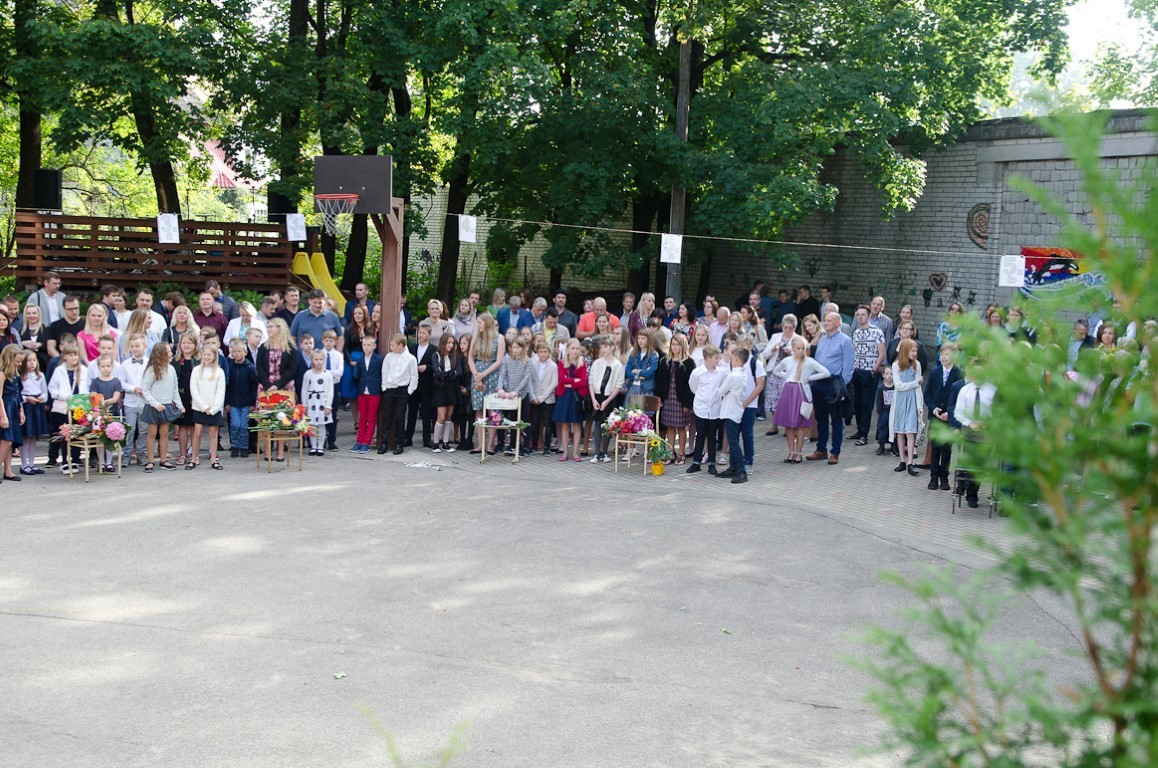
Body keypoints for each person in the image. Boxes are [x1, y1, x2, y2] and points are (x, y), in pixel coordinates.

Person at [772, 335, 829, 462]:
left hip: (801, 392)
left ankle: (799, 454)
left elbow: (826, 372)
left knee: (800, 425)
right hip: (788, 391)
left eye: (803, 348)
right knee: (788, 425)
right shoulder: (787, 360)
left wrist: (809, 378)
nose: (801, 351)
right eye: (798, 348)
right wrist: (787, 377)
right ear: (793, 348)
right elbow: (776, 370)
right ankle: (791, 453)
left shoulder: (809, 361)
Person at [807, 311, 854, 465]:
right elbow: (817, 361)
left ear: (837, 323)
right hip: (818, 383)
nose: (825, 323)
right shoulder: (822, 339)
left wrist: (842, 387)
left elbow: (848, 366)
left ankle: (835, 452)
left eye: (828, 320)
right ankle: (821, 449)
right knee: (820, 417)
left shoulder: (845, 341)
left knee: (836, 419)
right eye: (825, 320)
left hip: (834, 384)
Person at [950, 369, 995, 509]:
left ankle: (973, 491)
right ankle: (970, 494)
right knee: (970, 464)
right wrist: (970, 423)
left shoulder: (992, 390)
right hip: (969, 432)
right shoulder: (965, 390)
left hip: (986, 433)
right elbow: (958, 412)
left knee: (981, 465)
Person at [923, 343, 963, 490]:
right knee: (935, 448)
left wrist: (950, 414)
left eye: (947, 354)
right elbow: (927, 394)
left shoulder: (959, 373)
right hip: (936, 417)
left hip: (949, 418)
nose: (944, 357)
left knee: (947, 449)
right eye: (942, 354)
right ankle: (933, 477)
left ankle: (944, 477)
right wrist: (933, 409)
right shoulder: (935, 372)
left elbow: (960, 398)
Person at [139, 343, 182, 472]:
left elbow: (175, 389)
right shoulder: (151, 370)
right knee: (151, 433)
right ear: (160, 354)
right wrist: (155, 404)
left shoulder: (171, 369)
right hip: (153, 406)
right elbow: (145, 390)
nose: (171, 353)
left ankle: (163, 460)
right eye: (168, 351)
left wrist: (179, 404)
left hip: (166, 405)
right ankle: (150, 461)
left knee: (164, 433)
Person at [685, 345, 726, 474]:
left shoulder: (721, 373)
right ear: (707, 358)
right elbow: (693, 387)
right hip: (701, 408)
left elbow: (722, 387)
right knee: (700, 435)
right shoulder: (697, 373)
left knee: (712, 436)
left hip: (714, 409)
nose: (718, 360)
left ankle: (712, 463)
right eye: (715, 358)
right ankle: (696, 462)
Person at [468, 314, 506, 453]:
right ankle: (480, 444)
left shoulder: (499, 338)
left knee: (493, 410)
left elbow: (499, 361)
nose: (478, 325)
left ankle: (490, 444)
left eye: (480, 322)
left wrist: (484, 374)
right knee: (479, 409)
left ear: (487, 323)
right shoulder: (476, 337)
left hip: (493, 375)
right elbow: (470, 358)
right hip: (477, 374)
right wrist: (477, 375)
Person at [849, 304, 886, 445]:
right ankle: (859, 430)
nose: (860, 317)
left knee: (866, 403)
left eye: (863, 314)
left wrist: (874, 369)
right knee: (857, 403)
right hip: (856, 371)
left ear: (869, 316)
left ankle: (864, 434)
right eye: (858, 315)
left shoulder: (877, 332)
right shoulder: (857, 332)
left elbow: (881, 353)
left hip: (869, 372)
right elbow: (854, 351)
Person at [656, 332, 695, 464]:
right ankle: (670, 453)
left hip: (681, 400)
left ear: (683, 346)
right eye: (673, 344)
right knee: (669, 427)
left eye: (678, 345)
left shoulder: (689, 362)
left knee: (681, 427)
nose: (675, 347)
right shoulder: (665, 361)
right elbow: (660, 381)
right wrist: (660, 398)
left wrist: (687, 403)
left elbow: (690, 385)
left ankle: (681, 453)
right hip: (668, 398)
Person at [889, 338, 924, 476]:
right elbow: (899, 386)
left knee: (910, 431)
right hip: (900, 401)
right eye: (912, 351)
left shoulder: (917, 365)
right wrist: (916, 382)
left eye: (916, 351)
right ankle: (902, 461)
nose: (915, 353)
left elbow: (918, 389)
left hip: (912, 400)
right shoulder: (896, 365)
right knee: (900, 431)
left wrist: (919, 405)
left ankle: (910, 462)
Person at [587, 336, 625, 463]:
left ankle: (605, 453)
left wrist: (607, 401)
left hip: (609, 397)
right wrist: (593, 399)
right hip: (597, 396)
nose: (602, 349)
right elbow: (591, 382)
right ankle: (596, 453)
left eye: (605, 347)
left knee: (608, 425)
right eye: (601, 347)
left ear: (612, 347)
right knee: (597, 424)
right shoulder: (597, 363)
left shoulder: (617, 365)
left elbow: (618, 386)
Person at [378, 333, 418, 455]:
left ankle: (399, 443)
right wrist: (384, 387)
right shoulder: (389, 357)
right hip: (390, 389)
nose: (391, 347)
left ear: (401, 345)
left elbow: (414, 376)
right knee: (387, 416)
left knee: (400, 417)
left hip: (402, 390)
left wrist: (409, 391)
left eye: (393, 345)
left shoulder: (411, 359)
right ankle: (384, 443)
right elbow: (385, 371)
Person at [495, 338, 533, 456]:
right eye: (514, 347)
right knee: (512, 421)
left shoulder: (528, 361)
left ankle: (525, 446)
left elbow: (526, 378)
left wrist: (516, 391)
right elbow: (502, 374)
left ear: (523, 348)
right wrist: (500, 388)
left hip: (522, 395)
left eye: (518, 347)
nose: (515, 350)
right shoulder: (506, 359)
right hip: (510, 396)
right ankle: (512, 445)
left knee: (524, 421)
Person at [717, 346, 749, 484]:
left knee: (733, 442)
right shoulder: (743, 374)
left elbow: (720, 391)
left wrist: (725, 390)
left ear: (736, 359)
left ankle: (741, 471)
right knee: (733, 440)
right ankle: (733, 467)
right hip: (736, 410)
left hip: (730, 411)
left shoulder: (733, 376)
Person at [553, 338, 589, 462]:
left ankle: (575, 452)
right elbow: (562, 380)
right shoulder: (562, 363)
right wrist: (575, 380)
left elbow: (583, 381)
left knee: (577, 425)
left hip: (576, 397)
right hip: (564, 396)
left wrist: (571, 383)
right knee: (565, 425)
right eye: (573, 348)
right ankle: (565, 452)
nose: (575, 351)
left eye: (577, 348)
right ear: (567, 349)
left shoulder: (582, 363)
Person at [761, 313, 797, 436]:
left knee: (787, 399)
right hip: (773, 371)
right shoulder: (775, 337)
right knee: (772, 398)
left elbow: (800, 356)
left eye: (790, 328)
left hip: (787, 373)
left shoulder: (797, 339)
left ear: (794, 328)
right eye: (785, 327)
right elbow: (764, 355)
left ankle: (788, 427)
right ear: (782, 326)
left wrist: (790, 352)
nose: (787, 330)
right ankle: (774, 426)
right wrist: (774, 349)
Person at [349, 335, 384, 453]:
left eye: (369, 345)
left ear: (374, 346)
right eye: (364, 345)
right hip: (362, 391)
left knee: (371, 417)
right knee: (362, 418)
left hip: (374, 392)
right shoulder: (360, 360)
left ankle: (366, 442)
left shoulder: (379, 359)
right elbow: (357, 375)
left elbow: (382, 373)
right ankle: (359, 441)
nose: (366, 347)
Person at [225, 338, 258, 459]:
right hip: (233, 402)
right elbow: (227, 386)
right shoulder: (230, 367)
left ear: (245, 352)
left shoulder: (250, 367)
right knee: (235, 425)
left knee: (244, 426)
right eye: (234, 351)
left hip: (246, 403)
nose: (236, 354)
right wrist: (227, 402)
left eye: (239, 351)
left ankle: (244, 447)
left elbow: (254, 386)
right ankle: (235, 446)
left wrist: (253, 403)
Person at [431, 332, 464, 453]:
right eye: (448, 342)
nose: (450, 345)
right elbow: (437, 372)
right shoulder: (436, 355)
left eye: (452, 343)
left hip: (452, 388)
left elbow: (459, 372)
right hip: (441, 389)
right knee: (441, 416)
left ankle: (445, 443)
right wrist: (451, 373)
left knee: (449, 416)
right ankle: (435, 443)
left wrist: (446, 374)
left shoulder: (456, 357)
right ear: (443, 343)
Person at [118, 334, 149, 466]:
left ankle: (141, 454)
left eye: (137, 346)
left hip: (145, 402)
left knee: (143, 430)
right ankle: (126, 455)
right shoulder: (125, 365)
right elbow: (121, 382)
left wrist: (145, 389)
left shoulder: (149, 363)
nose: (135, 349)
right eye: (132, 346)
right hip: (130, 402)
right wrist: (132, 388)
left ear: (144, 346)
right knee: (129, 430)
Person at [405, 324, 437, 449]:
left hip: (427, 385)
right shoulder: (412, 348)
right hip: (414, 385)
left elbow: (436, 366)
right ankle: (408, 438)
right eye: (419, 332)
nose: (421, 335)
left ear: (429, 335)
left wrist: (427, 367)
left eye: (424, 333)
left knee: (426, 413)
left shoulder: (434, 349)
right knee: (411, 412)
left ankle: (426, 439)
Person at [170, 332, 200, 466]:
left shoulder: (199, 360)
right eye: (184, 343)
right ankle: (182, 454)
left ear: (195, 345)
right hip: (181, 397)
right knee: (182, 427)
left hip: (196, 397)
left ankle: (194, 455)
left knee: (195, 428)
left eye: (190, 343)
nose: (186, 345)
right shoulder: (175, 361)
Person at [298, 349, 333, 457]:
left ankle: (320, 446)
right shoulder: (308, 374)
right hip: (311, 401)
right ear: (312, 360)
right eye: (316, 359)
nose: (318, 361)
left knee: (321, 425)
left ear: (324, 360)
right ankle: (313, 446)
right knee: (312, 424)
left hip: (322, 401)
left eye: (321, 359)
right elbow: (304, 389)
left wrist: (328, 406)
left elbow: (330, 391)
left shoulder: (327, 374)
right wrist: (304, 405)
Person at [17, 351, 48, 475]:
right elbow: (19, 393)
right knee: (26, 436)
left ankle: (31, 463)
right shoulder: (21, 376)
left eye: (34, 360)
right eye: (29, 361)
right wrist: (26, 399)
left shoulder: (40, 375)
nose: (32, 363)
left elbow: (45, 391)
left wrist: (42, 397)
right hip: (26, 406)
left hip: (37, 406)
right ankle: (24, 464)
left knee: (34, 436)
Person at [526, 342, 557, 456]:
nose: (543, 354)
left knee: (548, 423)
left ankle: (546, 446)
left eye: (545, 352)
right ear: (537, 353)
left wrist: (542, 397)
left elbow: (554, 383)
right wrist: (533, 396)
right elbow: (529, 380)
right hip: (535, 397)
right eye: (540, 352)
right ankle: (534, 445)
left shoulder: (553, 366)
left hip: (548, 398)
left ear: (549, 352)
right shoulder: (533, 364)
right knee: (535, 422)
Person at [0, 346, 25, 482]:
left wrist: (21, 410)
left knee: (11, 442)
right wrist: (3, 416)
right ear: (9, 359)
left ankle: (8, 471)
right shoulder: (2, 374)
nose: (19, 364)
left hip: (14, 407)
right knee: (6, 440)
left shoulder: (16, 373)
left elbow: (18, 393)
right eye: (17, 361)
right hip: (5, 408)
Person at [256, 318, 299, 397]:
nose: (268, 329)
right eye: (267, 327)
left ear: (280, 328)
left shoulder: (291, 347)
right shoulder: (264, 347)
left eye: (271, 327)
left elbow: (292, 369)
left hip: (285, 387)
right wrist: (268, 385)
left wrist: (277, 385)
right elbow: (259, 367)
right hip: (266, 387)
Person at [624, 329, 659, 397]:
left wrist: (636, 371)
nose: (640, 341)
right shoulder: (633, 353)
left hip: (646, 389)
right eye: (638, 338)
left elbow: (650, 373)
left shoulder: (653, 355)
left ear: (649, 339)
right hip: (632, 386)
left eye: (643, 338)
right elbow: (627, 372)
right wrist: (637, 377)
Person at [20, 304, 49, 373]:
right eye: (28, 313)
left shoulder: (46, 329)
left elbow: (51, 345)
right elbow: (15, 346)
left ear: (39, 315)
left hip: (43, 364)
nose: (31, 315)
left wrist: (40, 344)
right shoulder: (20, 331)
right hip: (25, 366)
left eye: (34, 313)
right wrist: (23, 343)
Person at [874, 366, 895, 456]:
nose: (889, 376)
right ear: (883, 375)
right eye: (887, 374)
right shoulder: (881, 387)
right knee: (882, 428)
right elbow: (879, 401)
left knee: (894, 429)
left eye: (891, 374)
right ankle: (881, 445)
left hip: (894, 412)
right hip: (884, 411)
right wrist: (880, 411)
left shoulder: (896, 387)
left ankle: (894, 446)